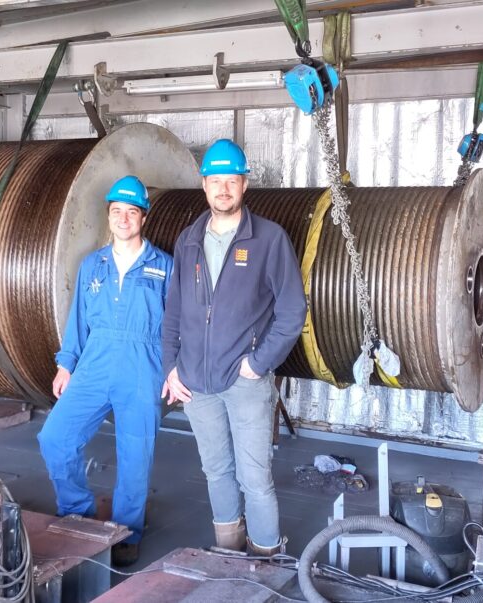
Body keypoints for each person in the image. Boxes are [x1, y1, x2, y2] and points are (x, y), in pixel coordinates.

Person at [161, 139, 306, 555]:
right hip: (196, 383)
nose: (223, 189)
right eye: (215, 181)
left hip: (245, 384)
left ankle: (265, 559)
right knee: (216, 471)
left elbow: (293, 311)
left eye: (232, 181)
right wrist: (171, 367)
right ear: (204, 185)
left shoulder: (269, 239)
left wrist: (257, 365)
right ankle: (228, 553)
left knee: (255, 477)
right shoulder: (188, 239)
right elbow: (173, 312)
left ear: (244, 185)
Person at [38, 175, 172, 567]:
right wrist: (66, 365)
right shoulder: (90, 265)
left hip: (142, 367)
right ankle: (77, 512)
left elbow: (178, 326)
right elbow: (77, 320)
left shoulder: (164, 267)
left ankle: (127, 531)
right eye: (117, 212)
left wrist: (173, 370)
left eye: (132, 212)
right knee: (55, 437)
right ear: (109, 216)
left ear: (143, 217)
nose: (124, 218)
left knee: (135, 454)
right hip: (94, 364)